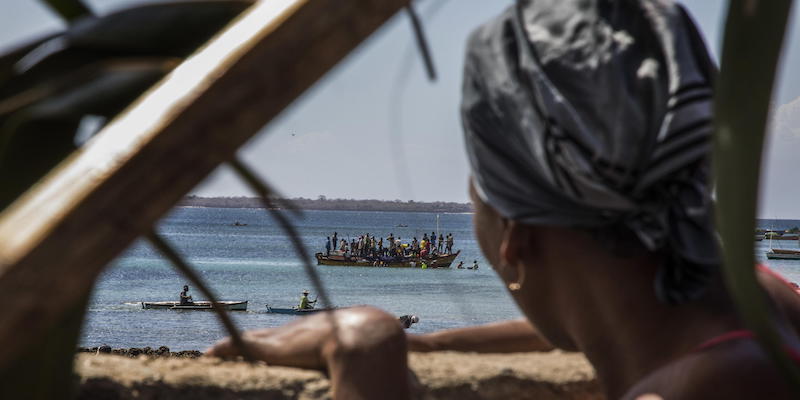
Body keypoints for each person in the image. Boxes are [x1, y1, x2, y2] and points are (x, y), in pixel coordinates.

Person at [208, 2, 800, 399]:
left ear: (515, 235)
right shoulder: (760, 305)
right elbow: (599, 316)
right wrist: (422, 341)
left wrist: (363, 352)